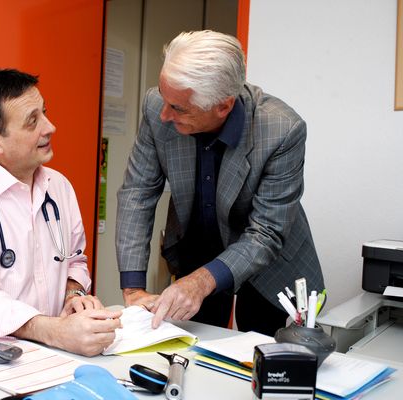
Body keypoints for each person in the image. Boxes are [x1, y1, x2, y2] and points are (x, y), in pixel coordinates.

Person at [116, 30, 324, 336]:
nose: (164, 115)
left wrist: (201, 281)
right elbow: (138, 193)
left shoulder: (281, 130)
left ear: (223, 106)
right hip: (197, 247)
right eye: (164, 98)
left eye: (178, 109)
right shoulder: (159, 106)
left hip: (267, 262)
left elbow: (266, 232)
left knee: (259, 352)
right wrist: (133, 287)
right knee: (190, 343)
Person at [0, 68, 121, 356]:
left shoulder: (59, 186)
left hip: (49, 348)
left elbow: (74, 260)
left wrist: (74, 295)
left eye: (44, 112)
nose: (50, 127)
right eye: (33, 121)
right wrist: (54, 331)